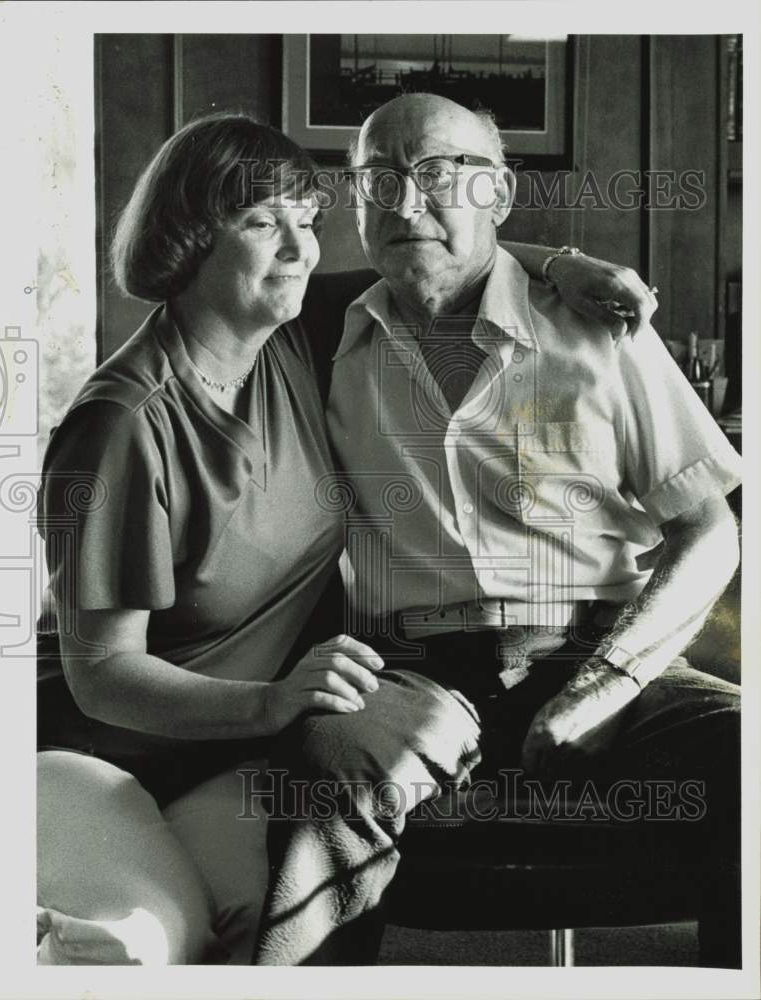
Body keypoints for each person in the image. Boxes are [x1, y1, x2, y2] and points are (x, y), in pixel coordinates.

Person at [36, 111, 648, 965]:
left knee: (283, 915)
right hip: (101, 756)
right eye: (260, 223)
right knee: (142, 944)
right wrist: (273, 700)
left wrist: (568, 266)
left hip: (230, 755)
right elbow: (101, 676)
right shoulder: (122, 425)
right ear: (185, 241)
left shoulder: (291, 332)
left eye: (308, 220)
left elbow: (438, 255)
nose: (300, 249)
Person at [252, 94, 742, 965]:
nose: (406, 202)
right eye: (379, 178)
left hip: (605, 650)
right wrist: (553, 252)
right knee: (324, 788)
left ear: (501, 193)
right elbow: (213, 271)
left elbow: (711, 532)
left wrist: (604, 687)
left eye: (440, 173)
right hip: (407, 672)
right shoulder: (319, 329)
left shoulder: (599, 328)